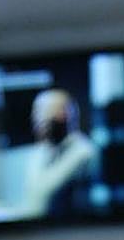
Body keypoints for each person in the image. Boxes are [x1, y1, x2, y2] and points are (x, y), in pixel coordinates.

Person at [17, 88, 99, 218]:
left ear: (64, 114)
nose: (35, 118)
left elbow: (43, 190)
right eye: (35, 112)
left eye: (42, 111)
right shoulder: (41, 151)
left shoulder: (84, 152)